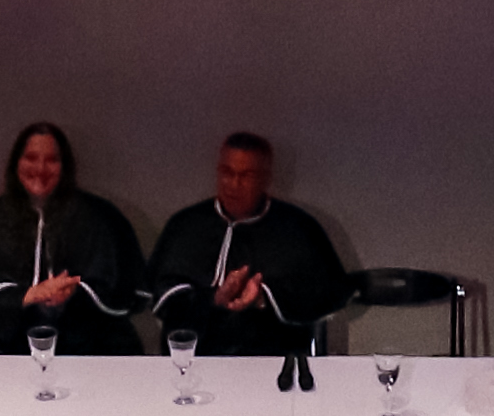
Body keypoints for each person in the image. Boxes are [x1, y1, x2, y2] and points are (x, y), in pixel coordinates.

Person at [143, 134, 348, 359]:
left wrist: (263, 296)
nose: (234, 184)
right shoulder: (185, 224)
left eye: (246, 175)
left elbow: (328, 292)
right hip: (195, 359)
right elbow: (161, 293)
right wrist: (214, 298)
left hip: (274, 360)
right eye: (227, 173)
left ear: (265, 179)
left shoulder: (298, 227)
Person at [0, 124, 146, 360]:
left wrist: (75, 290)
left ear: (65, 167)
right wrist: (28, 296)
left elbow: (119, 288)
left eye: (52, 160)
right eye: (31, 158)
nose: (41, 168)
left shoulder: (100, 217)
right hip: (9, 350)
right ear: (16, 163)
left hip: (88, 350)